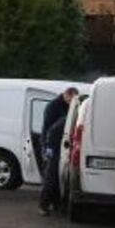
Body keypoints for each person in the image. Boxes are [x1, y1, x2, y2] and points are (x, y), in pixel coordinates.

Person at [38, 87, 79, 216]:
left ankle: (56, 205)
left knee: (58, 177)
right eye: (71, 100)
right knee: (50, 177)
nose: (72, 103)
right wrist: (47, 148)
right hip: (51, 146)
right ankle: (43, 205)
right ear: (67, 95)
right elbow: (47, 130)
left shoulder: (69, 107)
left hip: (61, 145)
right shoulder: (53, 107)